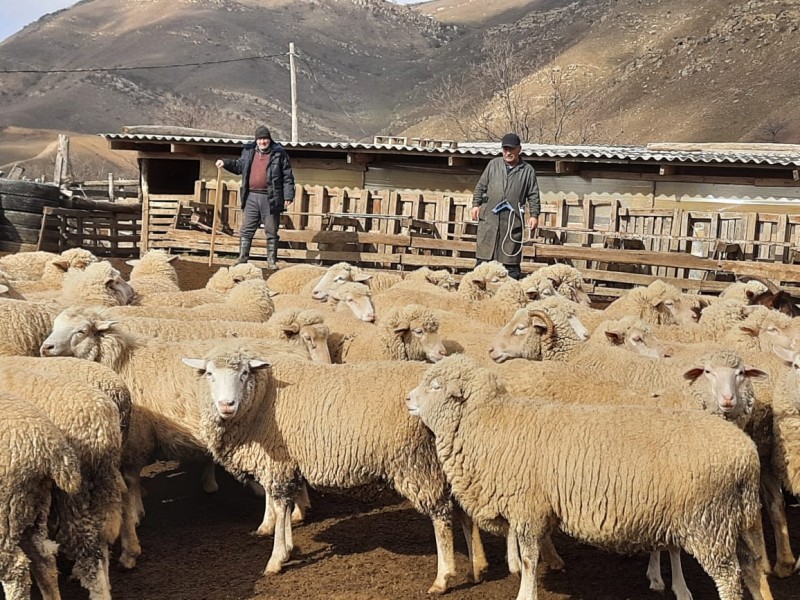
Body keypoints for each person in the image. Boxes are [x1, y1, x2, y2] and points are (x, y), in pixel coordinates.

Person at [216, 125, 296, 269]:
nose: (262, 142)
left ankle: (271, 261)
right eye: (259, 139)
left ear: (269, 139)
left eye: (265, 139)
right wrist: (225, 162)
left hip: (271, 198)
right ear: (256, 140)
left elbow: (288, 177)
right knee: (246, 229)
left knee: (271, 230)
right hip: (251, 197)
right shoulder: (248, 152)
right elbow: (238, 166)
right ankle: (242, 258)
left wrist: (288, 194)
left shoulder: (279, 154)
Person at [469, 132, 540, 280]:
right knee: (483, 262)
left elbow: (533, 195)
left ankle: (509, 296)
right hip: (490, 219)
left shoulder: (527, 170)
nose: (508, 153)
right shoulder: (493, 165)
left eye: (511, 149)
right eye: (505, 149)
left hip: (511, 221)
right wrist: (476, 204)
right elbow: (481, 186)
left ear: (519, 149)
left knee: (510, 262)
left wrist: (534, 215)